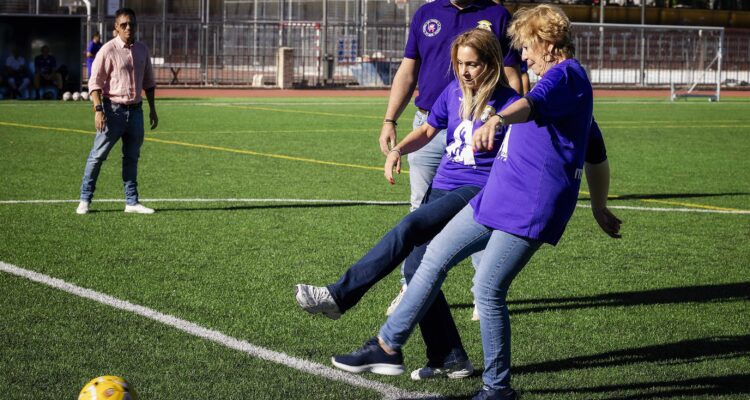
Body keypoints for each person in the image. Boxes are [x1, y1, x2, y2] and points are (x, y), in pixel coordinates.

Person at [331, 5, 622, 400]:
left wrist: (499, 120)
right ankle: (386, 347)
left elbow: (530, 108)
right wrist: (600, 205)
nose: (522, 57)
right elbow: (595, 149)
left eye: (526, 48)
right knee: (431, 258)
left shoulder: (565, 76)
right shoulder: (555, 84)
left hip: (529, 205)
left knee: (487, 289)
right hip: (497, 193)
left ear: (548, 43)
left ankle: (497, 387)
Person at [298, 28, 521, 380]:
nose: (465, 71)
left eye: (473, 64)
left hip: (475, 191)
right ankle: (449, 357)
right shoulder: (452, 92)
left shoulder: (510, 104)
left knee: (410, 226)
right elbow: (429, 131)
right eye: (460, 63)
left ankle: (340, 295)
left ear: (491, 64)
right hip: (442, 188)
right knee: (417, 271)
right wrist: (399, 149)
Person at [380, 0, 523, 316]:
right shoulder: (426, 13)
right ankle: (411, 289)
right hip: (430, 123)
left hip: (483, 129)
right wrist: (390, 119)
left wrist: (508, 125)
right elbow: (408, 69)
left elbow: (513, 76)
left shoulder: (497, 15)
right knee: (421, 211)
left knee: (483, 213)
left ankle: (482, 294)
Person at [76, 8, 159, 215]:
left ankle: (131, 202)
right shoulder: (107, 50)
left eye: (132, 24)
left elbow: (149, 82)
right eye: (124, 25)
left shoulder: (142, 50)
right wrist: (98, 109)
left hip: (136, 112)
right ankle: (85, 199)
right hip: (113, 112)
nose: (128, 28)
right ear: (116, 28)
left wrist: (153, 110)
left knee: (131, 157)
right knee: (97, 156)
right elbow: (94, 83)